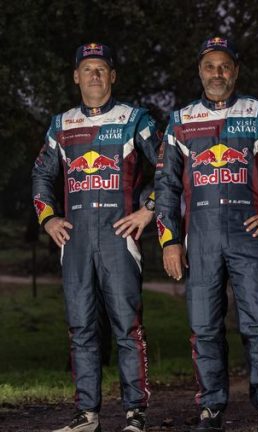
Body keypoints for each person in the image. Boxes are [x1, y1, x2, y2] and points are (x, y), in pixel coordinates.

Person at [154, 36, 258, 432]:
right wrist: (170, 240)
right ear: (200, 71)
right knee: (204, 327)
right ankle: (210, 407)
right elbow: (166, 185)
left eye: (224, 66)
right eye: (210, 66)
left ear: (236, 71)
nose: (217, 73)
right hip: (200, 238)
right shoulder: (180, 120)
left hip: (248, 233)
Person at [32, 42, 159, 432]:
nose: (94, 75)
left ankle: (136, 413)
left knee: (127, 327)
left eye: (101, 68)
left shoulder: (135, 119)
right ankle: (86, 415)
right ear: (76, 76)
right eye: (87, 69)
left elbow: (169, 168)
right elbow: (41, 176)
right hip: (76, 241)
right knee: (81, 328)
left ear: (112, 76)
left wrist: (148, 209)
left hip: (119, 237)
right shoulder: (61, 124)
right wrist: (48, 218)